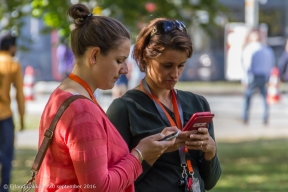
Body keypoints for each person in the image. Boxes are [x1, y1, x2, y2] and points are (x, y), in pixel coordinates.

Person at [35, 4, 177, 192]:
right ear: (94, 55)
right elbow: (99, 188)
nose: (125, 69)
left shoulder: (61, 95)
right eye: (119, 60)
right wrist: (140, 154)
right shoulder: (82, 111)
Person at [107, 18, 221, 192]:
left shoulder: (198, 103)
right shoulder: (124, 108)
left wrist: (210, 152)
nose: (175, 74)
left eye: (181, 65)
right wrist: (150, 153)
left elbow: (210, 182)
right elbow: (114, 182)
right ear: (146, 57)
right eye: (167, 65)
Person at [0, 34, 25, 192]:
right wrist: (22, 118)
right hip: (5, 116)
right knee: (7, 157)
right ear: (11, 47)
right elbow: (19, 95)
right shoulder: (13, 64)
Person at [241, 30, 274, 124]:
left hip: (253, 76)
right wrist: (269, 77)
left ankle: (245, 116)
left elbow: (247, 65)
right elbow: (270, 64)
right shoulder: (267, 49)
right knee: (264, 98)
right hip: (263, 76)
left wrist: (245, 79)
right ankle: (265, 117)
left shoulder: (250, 49)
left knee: (248, 97)